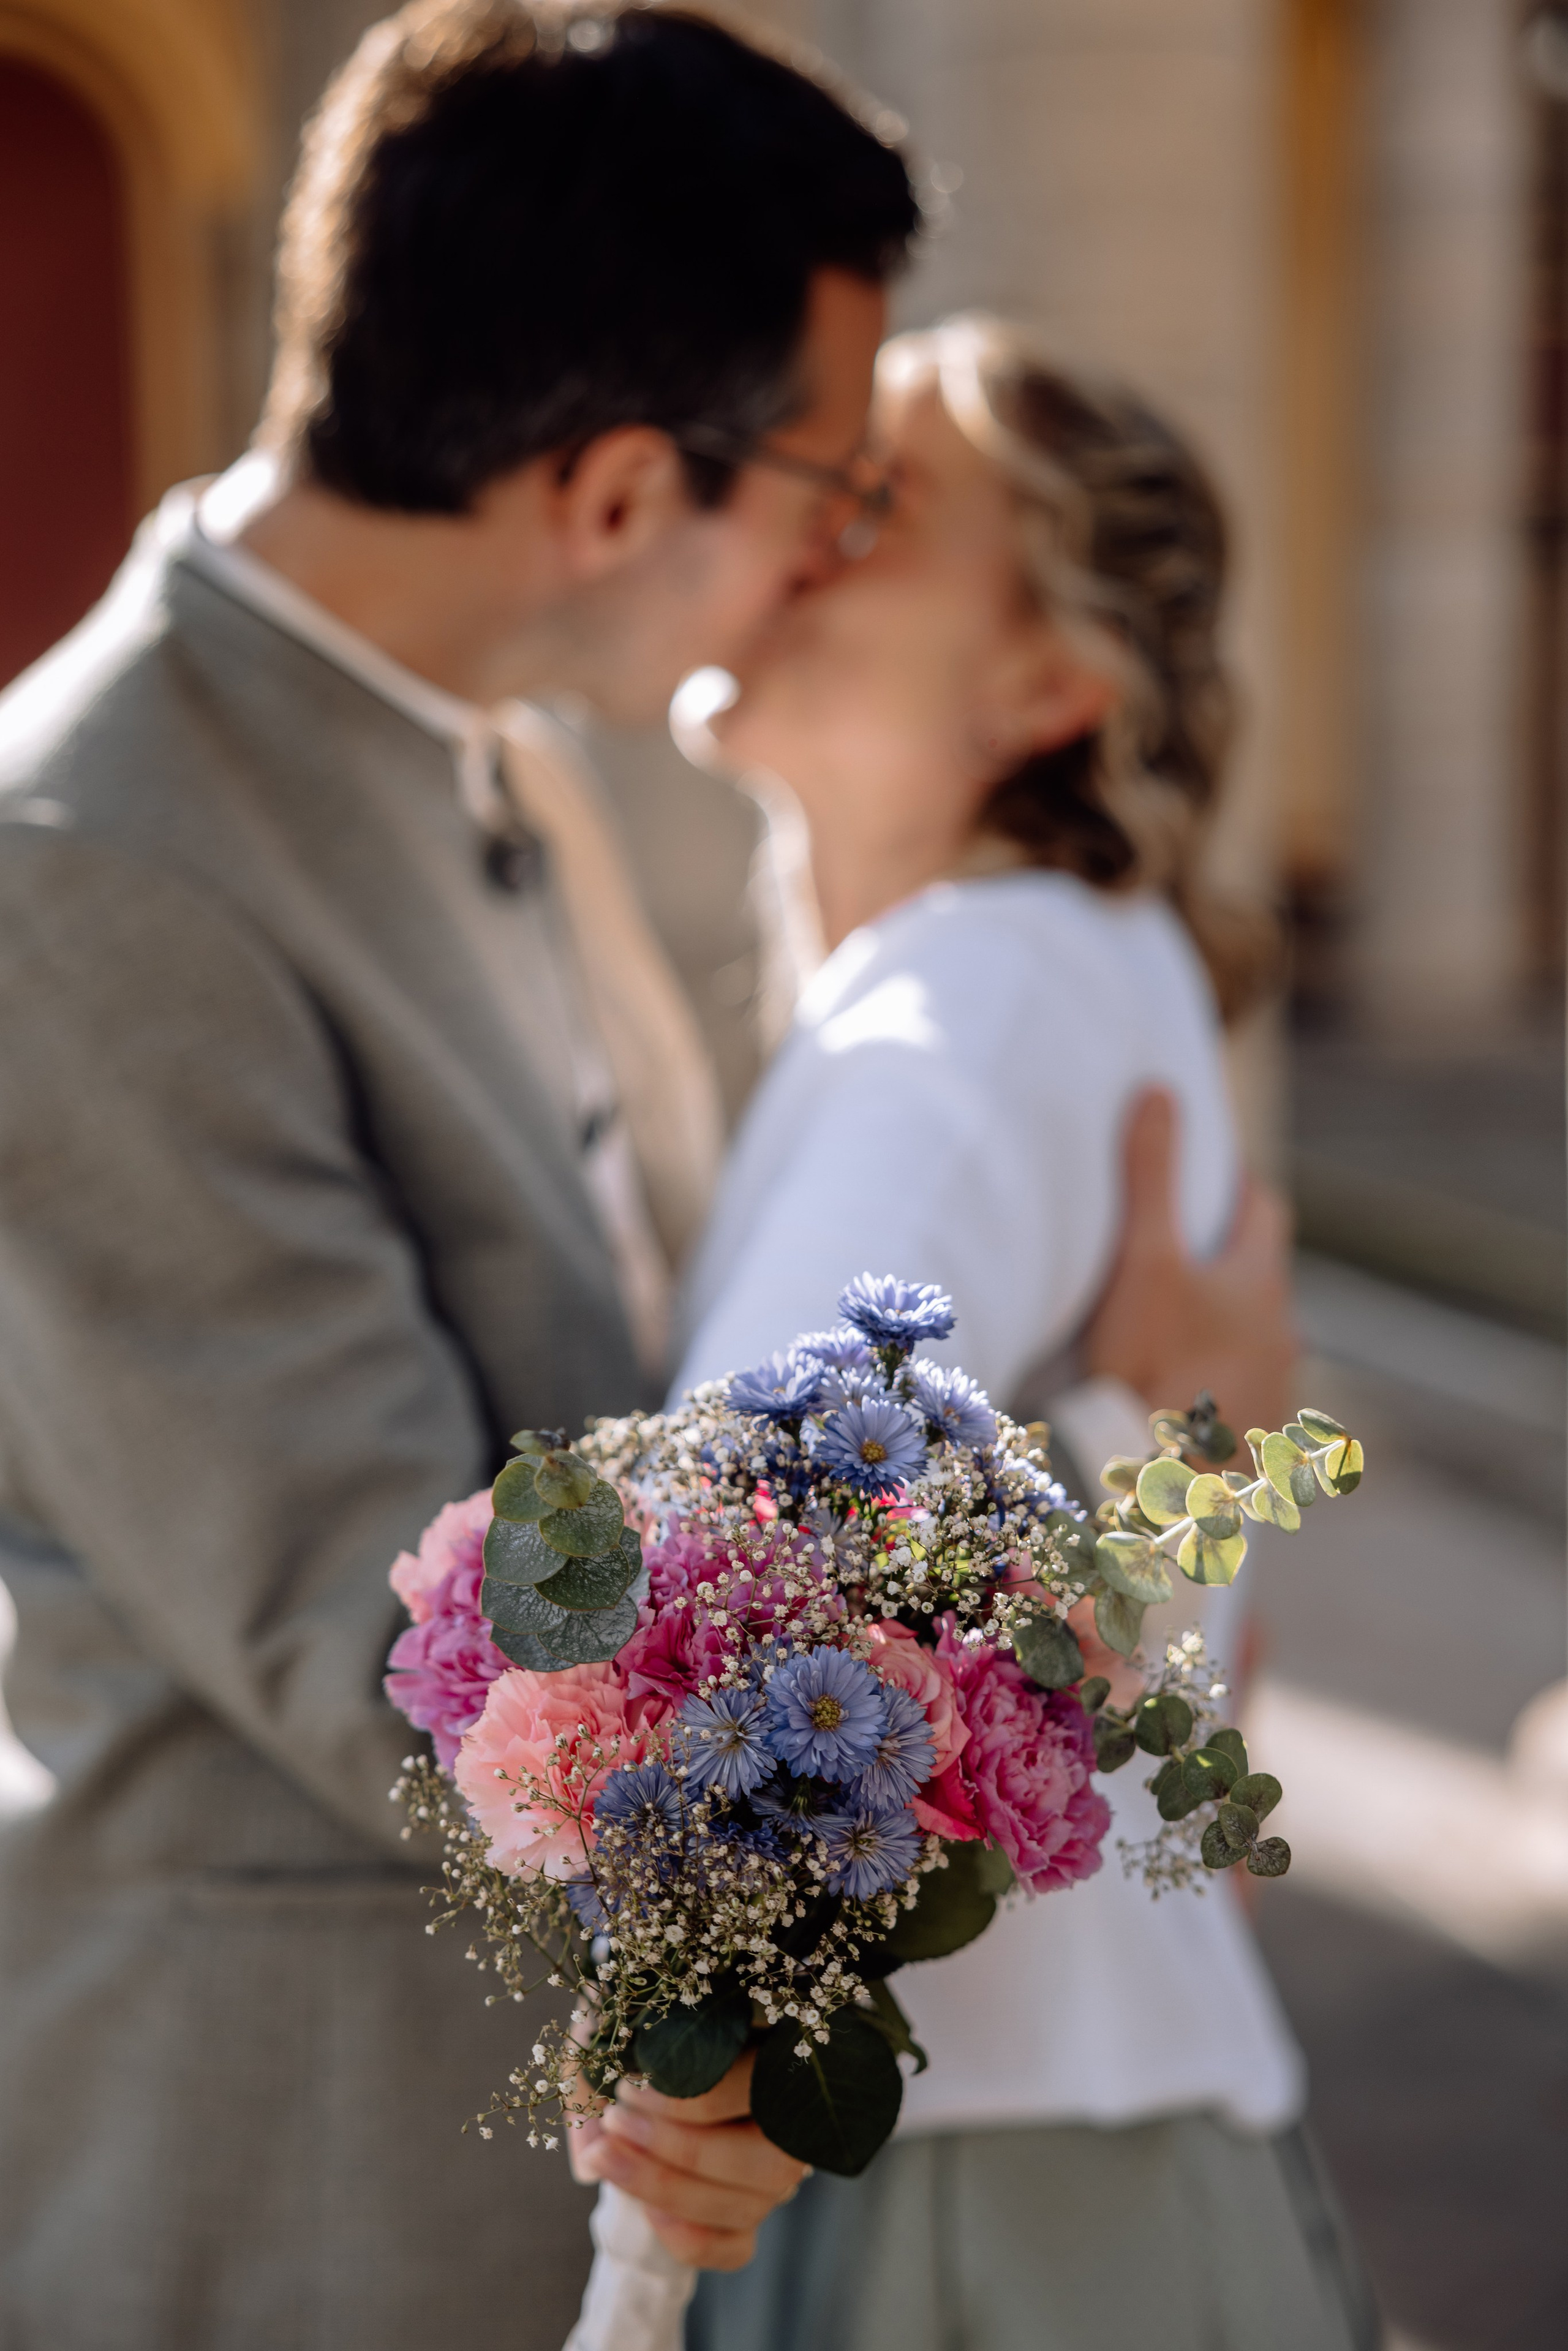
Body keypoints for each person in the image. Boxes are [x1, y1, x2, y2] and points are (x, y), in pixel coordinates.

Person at [0, 7, 919, 2343]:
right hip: (300, 2162)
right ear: (616, 494)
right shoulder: (87, 863)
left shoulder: (483, 742)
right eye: (834, 488)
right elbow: (382, 1624)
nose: (833, 560)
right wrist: (921, 1712)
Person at [676, 317, 1378, 2351]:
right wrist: (1208, 1461)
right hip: (1081, 2128)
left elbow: (727, 1589)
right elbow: (1193, 1759)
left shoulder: (967, 1015)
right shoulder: (1071, 973)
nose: (787, 527)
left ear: (1049, 682)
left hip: (993, 2205)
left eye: (873, 501)